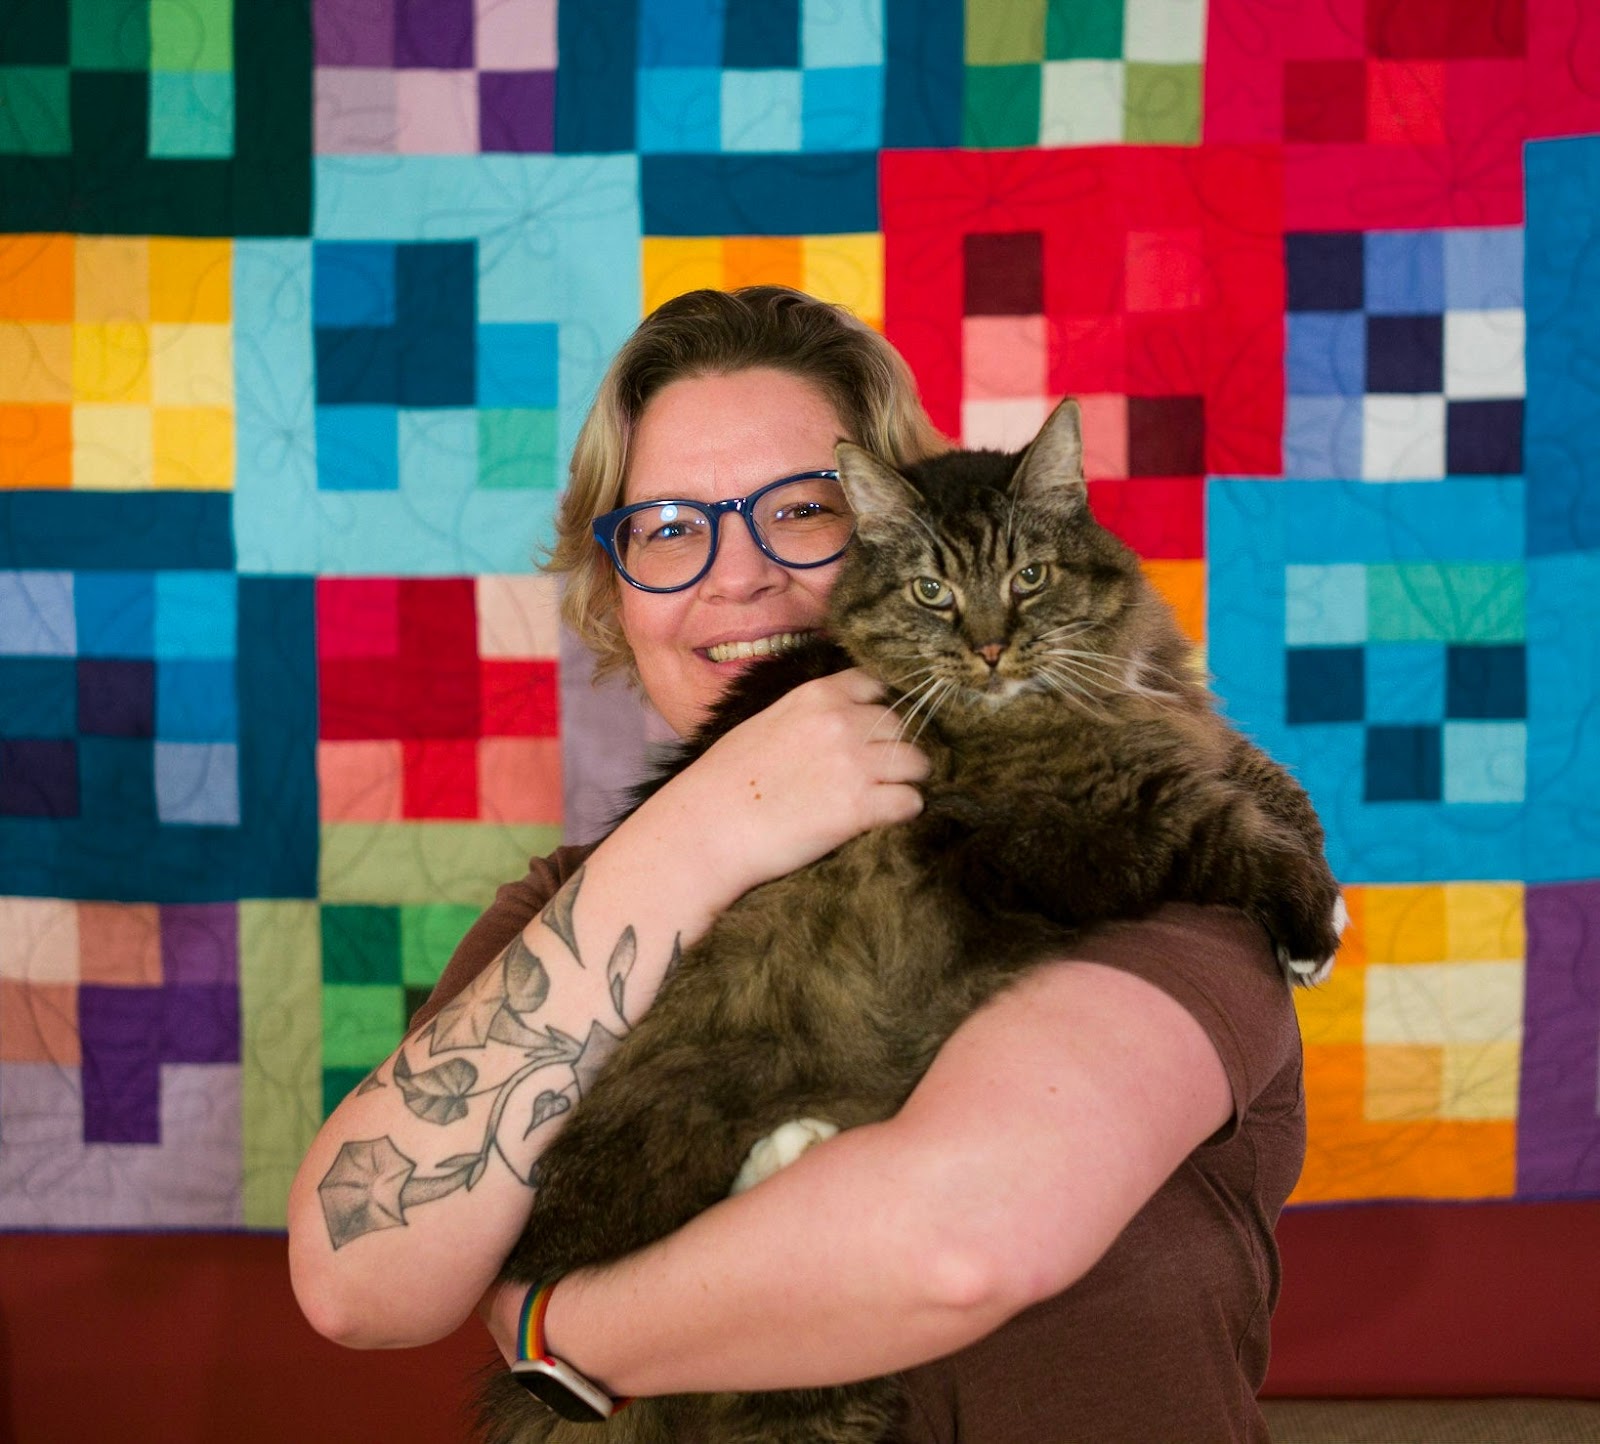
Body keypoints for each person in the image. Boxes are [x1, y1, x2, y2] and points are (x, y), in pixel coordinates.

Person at [288, 286, 1305, 1443]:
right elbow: (361, 1283)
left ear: (912, 526)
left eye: (805, 510)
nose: (738, 577)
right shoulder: (568, 904)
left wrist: (551, 1328)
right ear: (615, 588)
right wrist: (702, 828)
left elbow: (959, 1241)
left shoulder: (1163, 845)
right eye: (667, 527)